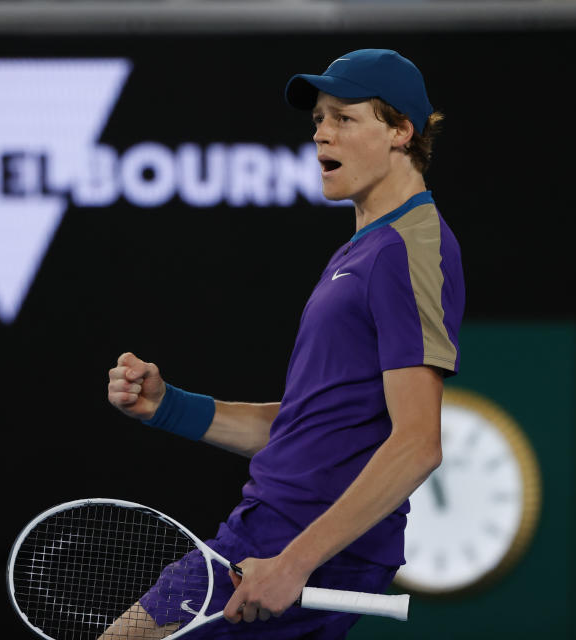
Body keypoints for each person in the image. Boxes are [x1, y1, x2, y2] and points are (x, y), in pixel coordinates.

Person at [106, 48, 464, 639]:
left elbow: (418, 444)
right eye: (318, 119)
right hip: (275, 533)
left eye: (343, 118)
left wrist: (294, 562)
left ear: (402, 130)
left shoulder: (409, 249)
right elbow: (307, 433)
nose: (321, 133)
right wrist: (168, 406)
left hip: (291, 542)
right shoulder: (366, 250)